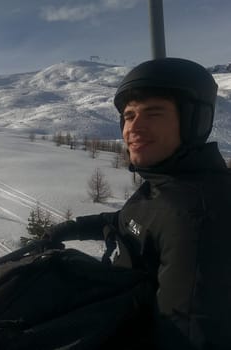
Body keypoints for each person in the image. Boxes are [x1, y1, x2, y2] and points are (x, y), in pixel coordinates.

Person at [46, 57, 231, 349]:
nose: (134, 128)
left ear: (194, 121)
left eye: (153, 113)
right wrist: (71, 228)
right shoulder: (167, 185)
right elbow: (131, 220)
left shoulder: (197, 217)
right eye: (129, 116)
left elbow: (187, 336)